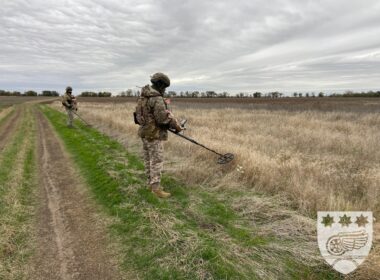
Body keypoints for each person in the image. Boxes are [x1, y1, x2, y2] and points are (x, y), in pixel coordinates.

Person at [136, 73, 182, 198]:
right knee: (156, 161)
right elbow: (162, 119)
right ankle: (156, 189)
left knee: (148, 160)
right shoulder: (156, 98)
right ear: (160, 84)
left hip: (144, 133)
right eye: (164, 87)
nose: (165, 89)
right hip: (154, 135)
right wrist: (176, 126)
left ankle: (150, 185)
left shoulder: (143, 97)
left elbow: (138, 116)